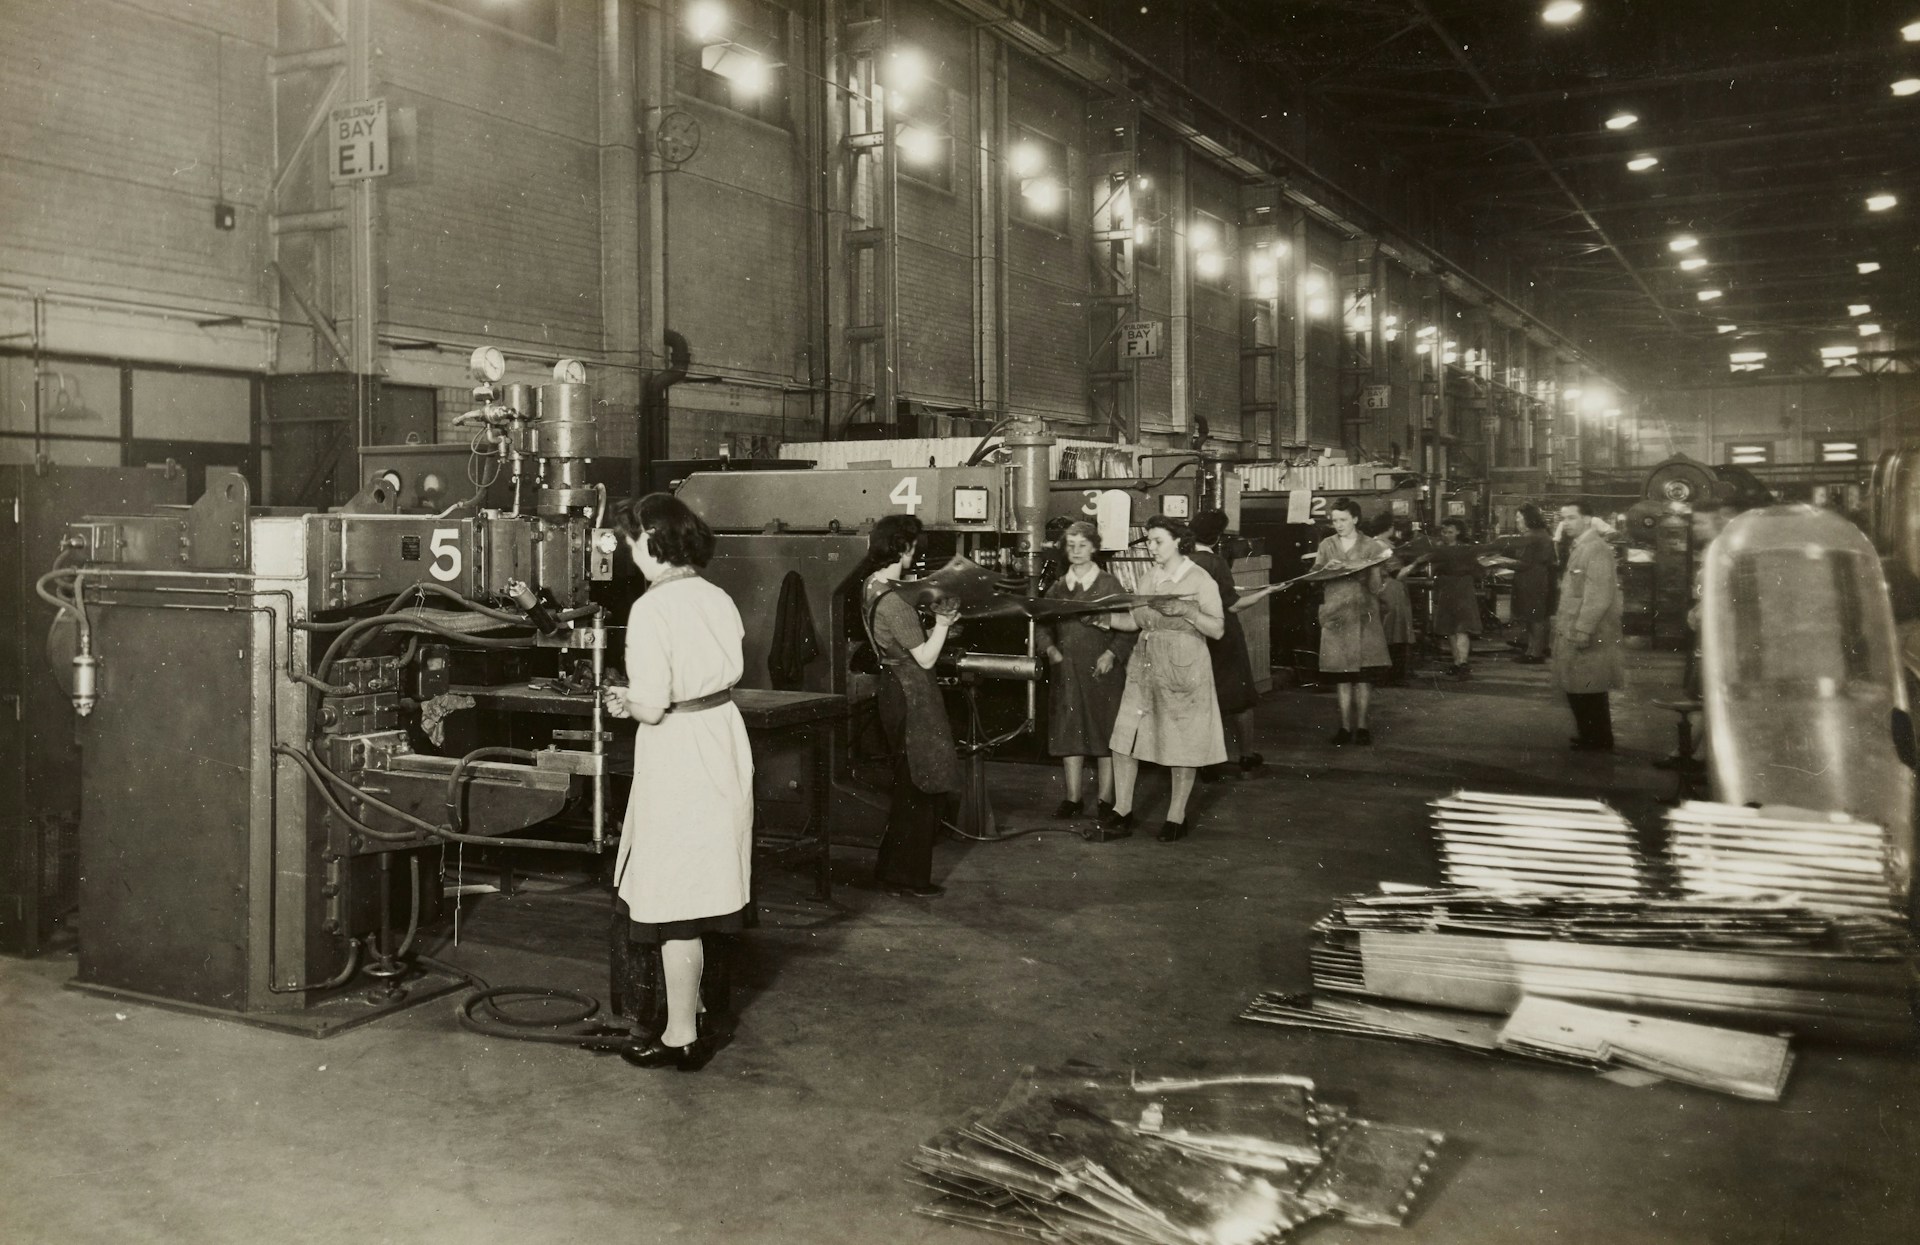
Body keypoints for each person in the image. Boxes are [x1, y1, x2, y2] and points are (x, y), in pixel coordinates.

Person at [601, 493, 752, 1072]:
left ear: (652, 540)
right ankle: (697, 1016)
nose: (629, 553)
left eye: (631, 541)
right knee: (707, 888)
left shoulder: (651, 607)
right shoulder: (716, 596)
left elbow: (653, 704)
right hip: (720, 737)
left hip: (679, 752)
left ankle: (680, 1036)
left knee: (675, 902)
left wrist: (625, 701)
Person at [1095, 515, 1227, 842]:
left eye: (1158, 541)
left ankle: (1175, 816)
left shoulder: (1200, 580)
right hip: (1145, 665)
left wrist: (1189, 612)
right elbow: (1138, 622)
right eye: (1149, 541)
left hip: (1184, 666)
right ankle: (1122, 810)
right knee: (1125, 738)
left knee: (1182, 742)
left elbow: (1218, 629)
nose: (1151, 548)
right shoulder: (1148, 578)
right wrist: (1103, 618)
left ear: (1178, 542)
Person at [860, 514, 963, 895]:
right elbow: (925, 658)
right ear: (902, 546)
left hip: (892, 687)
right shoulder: (894, 601)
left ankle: (892, 871)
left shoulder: (872, 585)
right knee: (919, 786)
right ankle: (909, 877)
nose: (915, 552)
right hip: (911, 692)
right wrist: (943, 624)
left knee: (907, 784)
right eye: (913, 545)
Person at [1041, 521, 1135, 821]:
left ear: (1094, 547)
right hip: (1067, 673)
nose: (1077, 551)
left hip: (1102, 673)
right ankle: (1073, 798)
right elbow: (1041, 623)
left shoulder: (1108, 584)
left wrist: (1112, 653)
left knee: (1104, 733)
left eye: (1083, 545)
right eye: (1071, 546)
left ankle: (1106, 799)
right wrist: (1051, 650)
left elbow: (1129, 628)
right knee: (1070, 733)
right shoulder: (1058, 587)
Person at [1188, 509, 1266, 775]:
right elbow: (1233, 605)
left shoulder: (1183, 560)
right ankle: (1246, 755)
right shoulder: (1216, 562)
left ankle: (1205, 760)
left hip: (1194, 632)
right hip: (1224, 634)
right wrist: (1265, 592)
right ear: (1218, 535)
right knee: (1239, 696)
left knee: (1202, 698)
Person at [1316, 498, 1392, 743]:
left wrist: (1371, 569)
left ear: (1355, 519)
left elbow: (1377, 587)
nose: (1338, 525)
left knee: (1363, 674)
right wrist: (1328, 568)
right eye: (1335, 520)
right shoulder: (1327, 545)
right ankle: (1345, 727)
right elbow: (1316, 575)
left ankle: (1362, 727)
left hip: (1364, 614)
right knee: (1342, 674)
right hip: (1337, 614)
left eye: (1343, 520)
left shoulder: (1371, 546)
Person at [1553, 499, 1625, 751]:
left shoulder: (1595, 549)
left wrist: (1584, 628)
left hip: (1588, 630)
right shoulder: (1581, 547)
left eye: (1571, 517)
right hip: (1575, 626)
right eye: (1563, 518)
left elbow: (1599, 594)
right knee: (1579, 685)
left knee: (1588, 687)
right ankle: (1590, 735)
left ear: (1587, 520)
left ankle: (1598, 739)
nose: (1566, 523)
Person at [1400, 518, 1483, 679]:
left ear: (1458, 532)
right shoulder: (1453, 549)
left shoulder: (1459, 549)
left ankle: (1463, 663)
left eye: (1450, 532)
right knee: (1451, 629)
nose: (1446, 535)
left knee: (1461, 628)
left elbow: (1423, 559)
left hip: (1461, 590)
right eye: (1444, 532)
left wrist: (1411, 567)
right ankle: (1458, 663)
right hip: (1448, 589)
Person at [1366, 515, 1414, 686]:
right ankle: (1393, 675)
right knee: (1396, 632)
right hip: (1392, 590)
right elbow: (1398, 573)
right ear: (1389, 527)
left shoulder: (1371, 543)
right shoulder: (1384, 547)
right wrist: (1417, 563)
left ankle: (1382, 673)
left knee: (1385, 631)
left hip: (1379, 590)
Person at [1509, 504, 1556, 664]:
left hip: (1532, 581)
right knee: (1532, 616)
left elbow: (1524, 563)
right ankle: (1532, 649)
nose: (1517, 522)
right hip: (1533, 579)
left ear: (1529, 519)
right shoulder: (1540, 534)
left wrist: (1498, 563)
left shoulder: (1534, 536)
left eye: (1519, 519)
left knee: (1535, 617)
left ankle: (1535, 653)